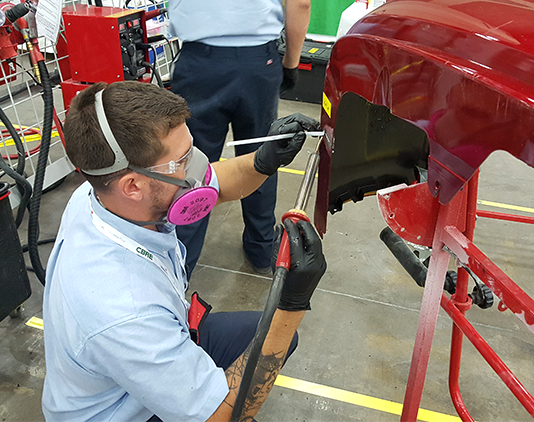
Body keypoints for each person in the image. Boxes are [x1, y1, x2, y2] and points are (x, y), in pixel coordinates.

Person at [42, 81, 326, 421]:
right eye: (182, 162)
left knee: (275, 339)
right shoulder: (123, 309)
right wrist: (291, 305)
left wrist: (264, 160)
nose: (196, 171)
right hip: (117, 412)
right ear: (133, 186)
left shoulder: (100, 197)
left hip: (136, 354)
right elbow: (222, 418)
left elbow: (218, 181)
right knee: (279, 332)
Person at [168, 0, 312, 277]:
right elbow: (301, 3)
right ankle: (261, 249)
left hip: (199, 62)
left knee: (191, 166)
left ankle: (176, 266)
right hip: (258, 62)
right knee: (260, 157)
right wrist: (291, 62)